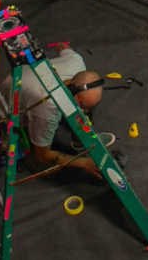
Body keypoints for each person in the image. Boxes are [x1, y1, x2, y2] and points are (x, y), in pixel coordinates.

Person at [19, 44, 106, 178]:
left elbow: (63, 46)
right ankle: (27, 155)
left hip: (25, 75)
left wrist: (61, 45)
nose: (86, 111)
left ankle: (78, 141)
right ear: (72, 90)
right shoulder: (48, 109)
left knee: (78, 110)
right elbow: (42, 155)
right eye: (84, 105)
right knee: (46, 165)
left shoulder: (76, 62)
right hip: (13, 108)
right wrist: (83, 163)